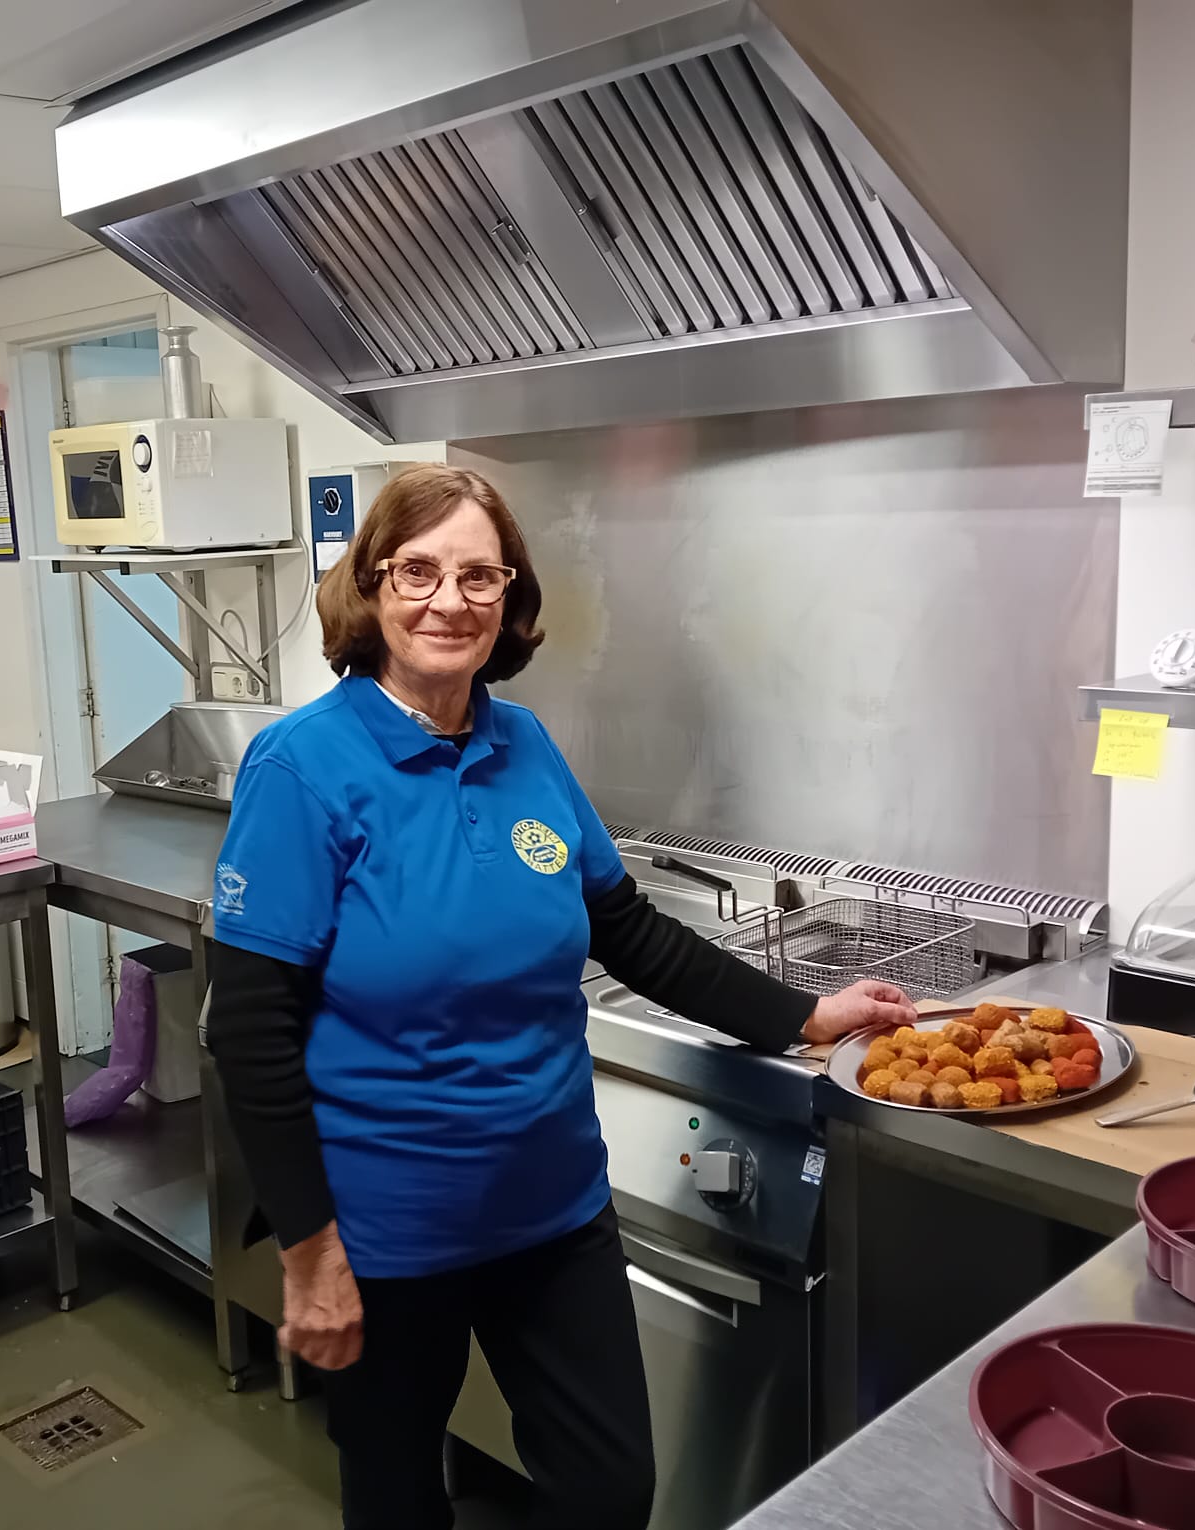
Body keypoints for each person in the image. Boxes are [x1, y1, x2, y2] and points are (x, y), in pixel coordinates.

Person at [207, 464, 916, 1530]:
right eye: (418, 572)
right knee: (398, 1498)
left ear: (511, 597)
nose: (450, 601)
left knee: (608, 1489)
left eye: (479, 576)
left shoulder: (525, 745)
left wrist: (801, 1016)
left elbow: (627, 929)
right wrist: (310, 1252)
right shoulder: (304, 767)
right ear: (372, 584)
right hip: (388, 1227)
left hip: (551, 1208)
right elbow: (251, 1028)